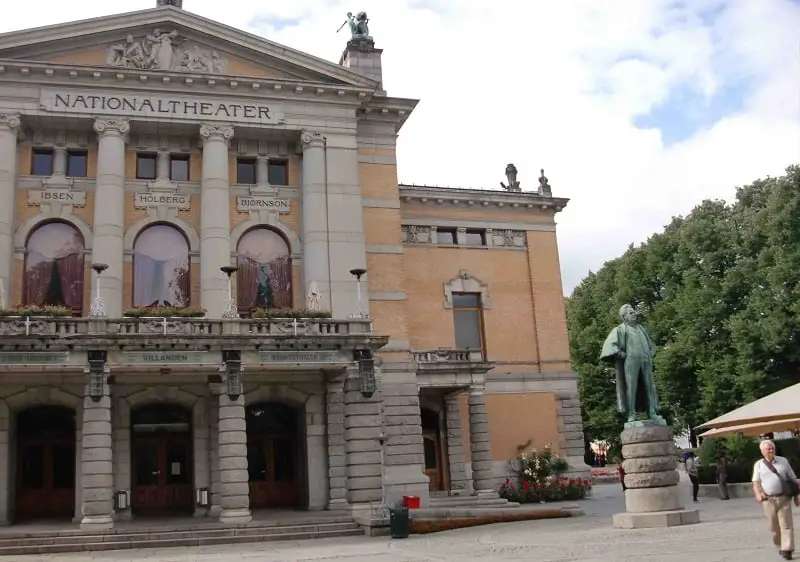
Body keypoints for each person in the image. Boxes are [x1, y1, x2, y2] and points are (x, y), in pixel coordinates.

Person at [753, 439, 799, 560]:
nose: (771, 451)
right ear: (762, 451)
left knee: (786, 524)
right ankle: (779, 545)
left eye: (772, 448)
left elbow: (793, 478)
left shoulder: (783, 461)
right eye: (768, 449)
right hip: (768, 500)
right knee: (773, 526)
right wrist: (758, 493)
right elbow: (756, 482)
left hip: (784, 497)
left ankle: (787, 549)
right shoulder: (758, 464)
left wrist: (797, 496)